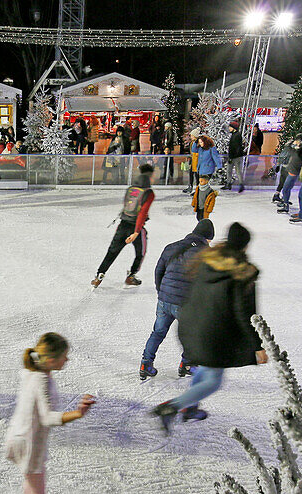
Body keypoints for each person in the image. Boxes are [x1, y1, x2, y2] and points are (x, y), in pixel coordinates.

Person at [151, 222, 267, 432]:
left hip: (189, 325)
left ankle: (190, 408)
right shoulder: (242, 274)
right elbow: (245, 314)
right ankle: (171, 407)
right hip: (212, 334)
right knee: (213, 380)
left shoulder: (206, 260)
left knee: (204, 368)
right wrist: (257, 346)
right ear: (245, 246)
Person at [4, 332, 95, 494]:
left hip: (22, 435)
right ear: (52, 360)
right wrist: (78, 414)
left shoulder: (33, 371)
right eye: (64, 356)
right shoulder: (41, 378)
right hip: (29, 442)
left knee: (32, 483)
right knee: (37, 490)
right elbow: (47, 417)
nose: (67, 360)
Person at [140, 219, 214, 380]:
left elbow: (158, 271)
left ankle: (146, 364)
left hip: (165, 299)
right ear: (207, 238)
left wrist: (162, 292)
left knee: (158, 332)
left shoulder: (171, 247)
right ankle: (187, 365)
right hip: (186, 303)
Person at [91, 163, 155, 288]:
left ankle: (99, 275)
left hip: (123, 224)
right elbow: (142, 213)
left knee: (112, 252)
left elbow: (126, 206)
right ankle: (131, 276)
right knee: (140, 253)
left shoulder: (131, 189)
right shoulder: (149, 193)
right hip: (136, 227)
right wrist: (136, 232)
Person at [273, 136, 302, 208]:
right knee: (285, 184)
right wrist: (278, 165)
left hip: (288, 167)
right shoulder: (291, 147)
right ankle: (283, 198)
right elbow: (282, 155)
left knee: (285, 183)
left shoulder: (292, 146)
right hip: (287, 167)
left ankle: (279, 196)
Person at [225, 122, 244, 191]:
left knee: (237, 171)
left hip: (236, 157)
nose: (229, 128)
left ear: (234, 128)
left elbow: (236, 148)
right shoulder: (234, 135)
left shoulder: (237, 136)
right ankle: (228, 183)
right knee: (229, 170)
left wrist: (232, 157)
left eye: (230, 127)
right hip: (233, 156)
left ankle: (241, 184)